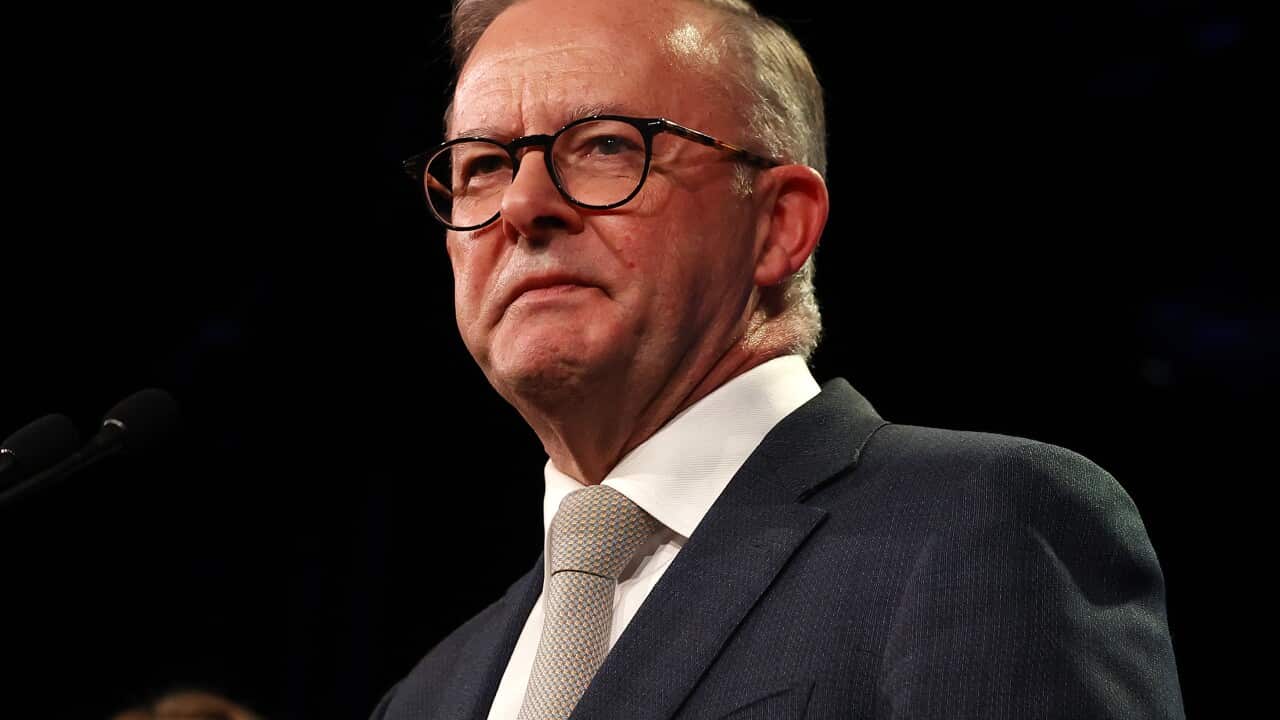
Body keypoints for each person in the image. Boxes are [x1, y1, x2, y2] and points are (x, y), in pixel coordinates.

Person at [373, 0, 1184, 717]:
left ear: (779, 225)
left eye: (606, 145)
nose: (521, 204)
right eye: (482, 165)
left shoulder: (983, 528)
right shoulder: (425, 696)